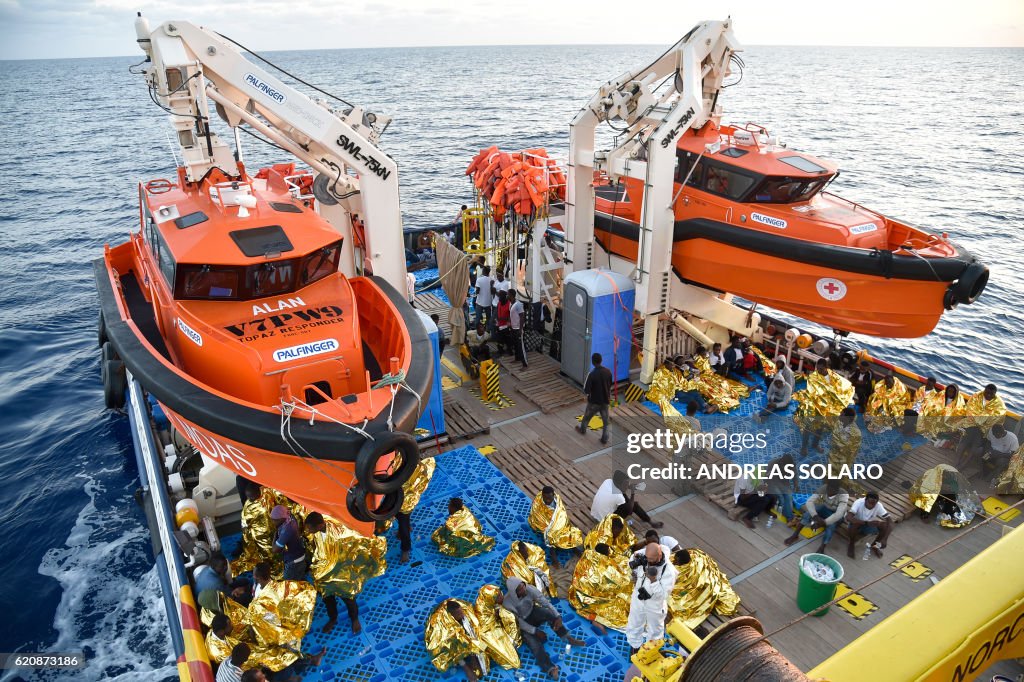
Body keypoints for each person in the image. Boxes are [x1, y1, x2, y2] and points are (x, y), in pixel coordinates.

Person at [304, 512, 387, 634]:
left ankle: (354, 619)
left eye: (311, 528)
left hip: (342, 574)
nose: (308, 531)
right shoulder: (317, 532)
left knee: (349, 599)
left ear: (321, 525)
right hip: (325, 575)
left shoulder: (341, 535)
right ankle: (333, 618)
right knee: (328, 599)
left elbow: (358, 539)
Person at [503, 577, 586, 680]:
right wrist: (535, 631)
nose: (523, 590)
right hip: (523, 626)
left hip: (533, 612)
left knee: (548, 613)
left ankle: (567, 637)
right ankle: (550, 669)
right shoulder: (507, 603)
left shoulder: (530, 589)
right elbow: (519, 622)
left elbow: (545, 603)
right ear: (514, 592)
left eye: (523, 586)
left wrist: (557, 616)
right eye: (519, 589)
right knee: (535, 646)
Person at [794, 358, 855, 458]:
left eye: (821, 369)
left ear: (827, 368)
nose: (819, 371)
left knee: (820, 428)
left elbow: (839, 388)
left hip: (826, 409)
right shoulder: (813, 377)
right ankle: (804, 447)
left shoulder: (834, 376)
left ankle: (815, 444)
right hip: (814, 407)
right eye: (817, 368)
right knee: (808, 428)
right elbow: (813, 392)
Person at [568, 542, 632, 635]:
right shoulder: (606, 569)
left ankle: (593, 618)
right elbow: (619, 585)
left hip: (577, 595)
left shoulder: (587, 556)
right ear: (606, 553)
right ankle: (597, 620)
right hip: (593, 600)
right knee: (622, 601)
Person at [625, 543, 677, 654]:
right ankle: (635, 646)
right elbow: (631, 564)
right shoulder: (644, 554)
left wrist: (653, 580)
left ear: (659, 556)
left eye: (652, 560)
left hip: (655, 604)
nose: (648, 562)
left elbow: (663, 595)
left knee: (655, 630)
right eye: (647, 559)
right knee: (634, 623)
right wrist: (634, 557)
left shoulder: (669, 571)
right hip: (639, 597)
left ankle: (650, 652)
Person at [668, 548, 740, 628]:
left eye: (676, 561)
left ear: (681, 563)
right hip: (708, 585)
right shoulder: (698, 556)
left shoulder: (679, 573)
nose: (674, 561)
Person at [784, 480, 850, 554]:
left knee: (831, 526)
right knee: (809, 513)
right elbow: (809, 501)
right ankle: (795, 535)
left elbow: (839, 514)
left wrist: (823, 523)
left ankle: (823, 546)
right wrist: (815, 516)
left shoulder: (844, 495)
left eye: (832, 490)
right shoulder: (824, 488)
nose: (829, 492)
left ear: (837, 490)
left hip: (837, 516)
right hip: (825, 508)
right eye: (828, 489)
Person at [528, 485, 583, 569]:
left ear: (553, 495)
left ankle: (574, 548)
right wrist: (551, 527)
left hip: (558, 522)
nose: (547, 500)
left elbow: (562, 513)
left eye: (549, 498)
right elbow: (538, 516)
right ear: (542, 495)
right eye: (545, 498)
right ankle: (554, 559)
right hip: (544, 524)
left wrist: (560, 524)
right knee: (550, 536)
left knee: (568, 529)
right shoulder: (538, 503)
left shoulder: (557, 500)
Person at [590, 470, 663, 528]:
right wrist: (632, 492)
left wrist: (629, 486)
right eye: (626, 484)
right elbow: (630, 510)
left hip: (595, 514)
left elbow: (620, 489)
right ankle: (650, 522)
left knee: (625, 497)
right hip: (604, 522)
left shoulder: (607, 481)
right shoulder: (618, 496)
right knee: (632, 505)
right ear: (619, 484)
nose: (627, 485)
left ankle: (649, 520)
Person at [396, 458, 436, 563]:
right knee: (402, 522)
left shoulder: (412, 466)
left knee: (403, 525)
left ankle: (405, 550)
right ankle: (404, 530)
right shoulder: (398, 459)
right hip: (395, 498)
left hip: (404, 501)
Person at [957, 384, 1007, 462]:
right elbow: (970, 410)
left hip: (984, 430)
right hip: (970, 424)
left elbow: (996, 421)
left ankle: (963, 464)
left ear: (995, 394)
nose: (988, 395)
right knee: (966, 439)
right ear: (984, 390)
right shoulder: (976, 396)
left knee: (975, 444)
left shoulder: (1000, 405)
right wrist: (980, 420)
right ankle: (957, 461)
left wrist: (981, 422)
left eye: (991, 394)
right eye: (987, 392)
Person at [578, 353, 613, 445]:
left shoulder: (592, 374)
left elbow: (586, 390)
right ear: (601, 360)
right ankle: (604, 439)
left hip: (594, 402)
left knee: (586, 418)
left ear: (593, 362)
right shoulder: (608, 372)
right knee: (606, 422)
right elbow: (610, 384)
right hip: (605, 401)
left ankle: (582, 430)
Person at [845, 492, 892, 559]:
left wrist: (885, 539)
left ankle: (875, 545)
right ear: (865, 500)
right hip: (856, 525)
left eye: (873, 504)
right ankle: (851, 544)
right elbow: (848, 517)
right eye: (869, 503)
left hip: (868, 526)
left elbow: (890, 522)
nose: (871, 506)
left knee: (884, 525)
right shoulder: (858, 503)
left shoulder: (878, 505)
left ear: (877, 502)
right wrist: (866, 523)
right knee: (855, 524)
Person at [269, 505, 306, 580]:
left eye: (274, 520)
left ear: (281, 518)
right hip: (299, 556)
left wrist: (275, 535)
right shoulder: (289, 517)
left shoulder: (287, 530)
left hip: (294, 564)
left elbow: (275, 549)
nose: (272, 522)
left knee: (289, 584)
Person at [509, 291, 528, 369]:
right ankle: (517, 358)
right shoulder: (511, 304)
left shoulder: (518, 304)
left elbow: (522, 317)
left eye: (508, 294)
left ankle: (525, 364)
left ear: (512, 295)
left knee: (521, 346)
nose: (507, 296)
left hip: (518, 329)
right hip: (513, 328)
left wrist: (521, 329)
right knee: (515, 345)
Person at [474, 266, 494, 331]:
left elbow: (477, 291)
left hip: (480, 302)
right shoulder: (491, 280)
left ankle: (477, 331)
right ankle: (488, 330)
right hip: (488, 302)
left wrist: (475, 292)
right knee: (488, 317)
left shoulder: (479, 279)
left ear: (483, 271)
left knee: (478, 317)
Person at [494, 290, 512, 354]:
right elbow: (497, 314)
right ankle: (500, 350)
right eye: (499, 297)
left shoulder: (509, 304)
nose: (499, 298)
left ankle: (510, 350)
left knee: (506, 338)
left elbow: (511, 317)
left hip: (506, 325)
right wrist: (497, 321)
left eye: (500, 297)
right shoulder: (499, 303)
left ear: (505, 297)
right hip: (499, 324)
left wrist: (502, 319)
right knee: (499, 339)